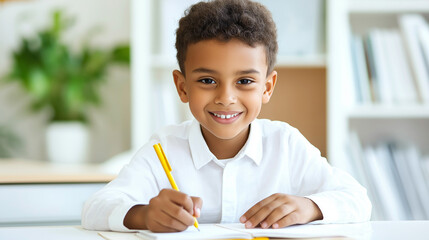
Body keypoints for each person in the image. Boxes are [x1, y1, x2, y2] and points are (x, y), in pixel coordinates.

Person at [82, 0, 371, 232]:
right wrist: (144, 215)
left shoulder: (286, 144)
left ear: (267, 87)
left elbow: (358, 200)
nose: (226, 98)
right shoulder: (165, 148)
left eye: (245, 81)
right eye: (207, 81)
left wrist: (310, 207)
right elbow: (95, 209)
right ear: (182, 87)